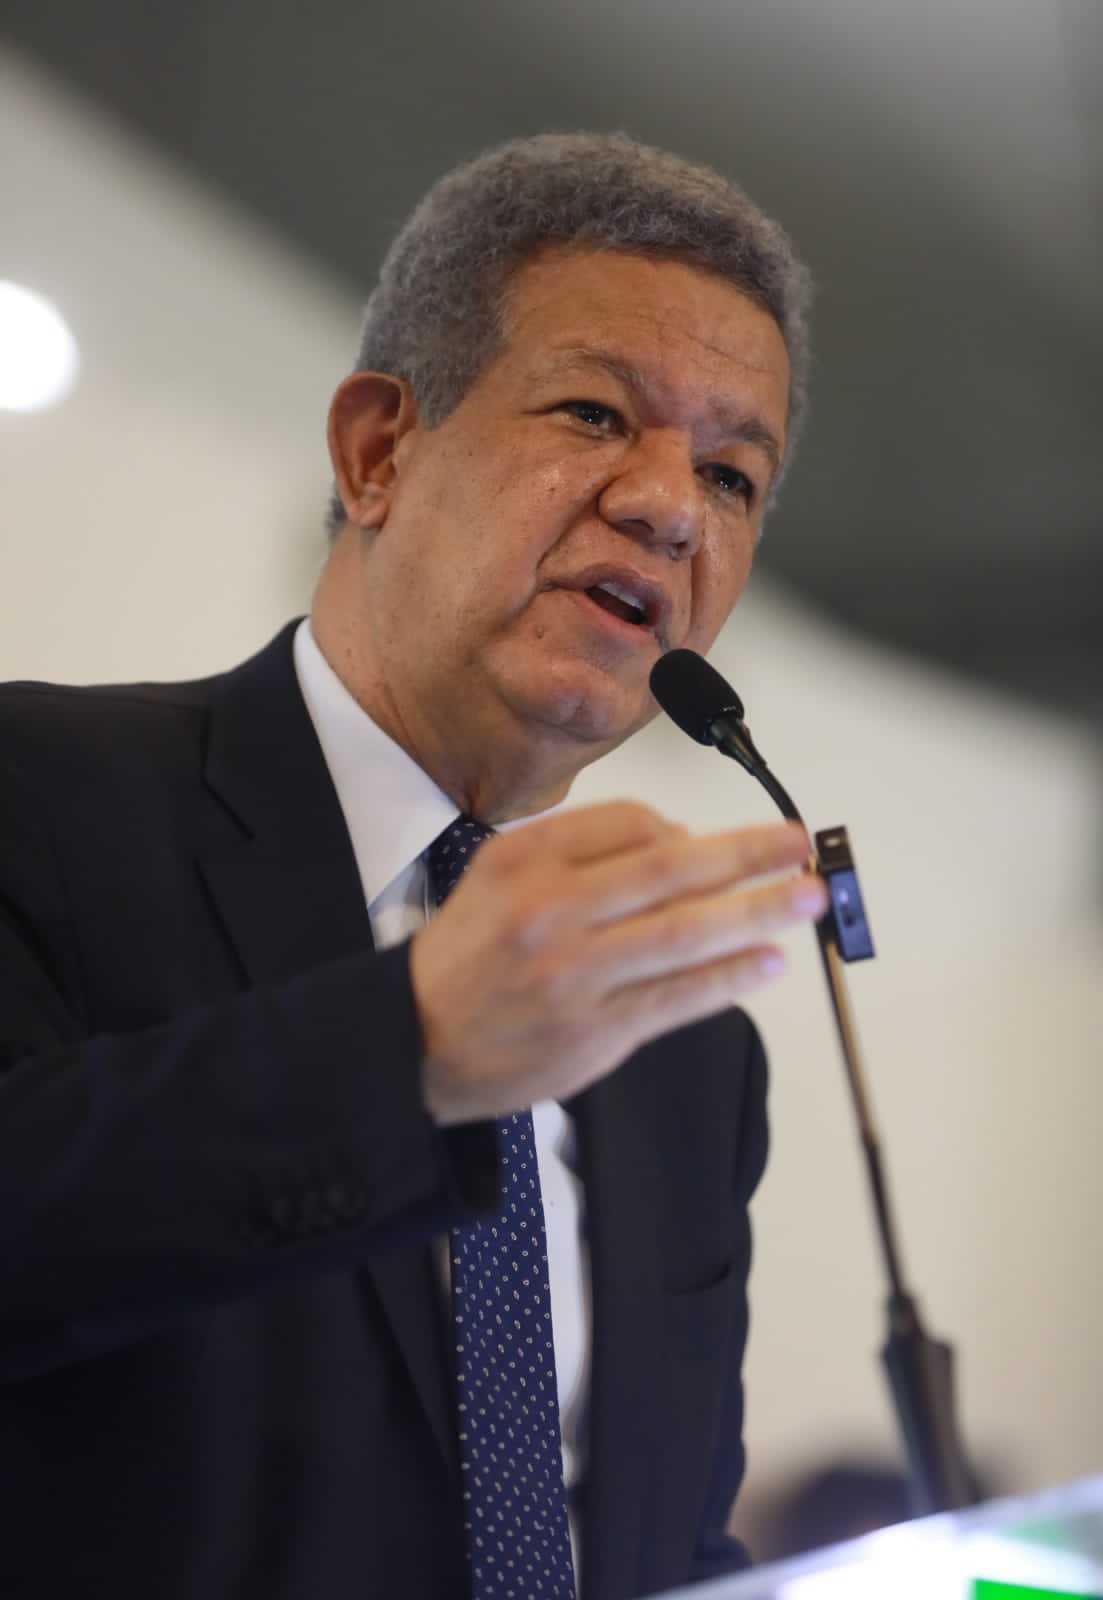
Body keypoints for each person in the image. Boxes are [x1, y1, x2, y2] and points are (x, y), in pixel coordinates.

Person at [0, 133, 826, 1599]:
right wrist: (416, 1043)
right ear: (379, 451)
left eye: (731, 473)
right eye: (595, 413)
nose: (670, 506)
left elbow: (661, 1544)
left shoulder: (688, 1053)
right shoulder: (40, 799)